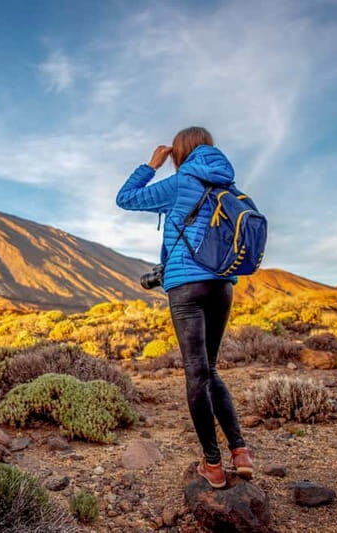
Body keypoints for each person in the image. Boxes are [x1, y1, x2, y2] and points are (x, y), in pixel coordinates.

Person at [115, 126, 254, 489]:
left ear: (179, 152)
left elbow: (126, 198)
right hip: (222, 286)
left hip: (187, 286)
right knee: (211, 369)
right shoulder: (228, 186)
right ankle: (240, 452)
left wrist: (151, 165)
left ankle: (213, 465)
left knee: (197, 374)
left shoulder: (181, 183)